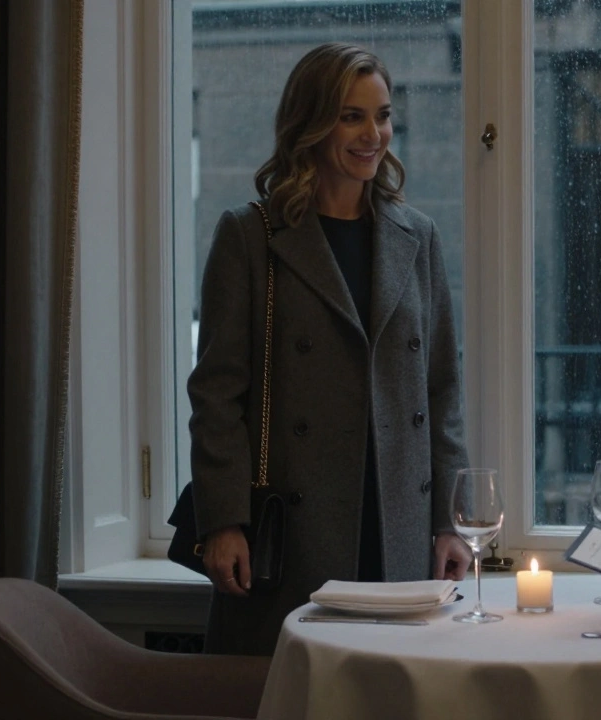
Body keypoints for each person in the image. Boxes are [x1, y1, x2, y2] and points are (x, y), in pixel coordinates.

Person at [187, 42, 473, 656]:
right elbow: (216, 394)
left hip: (396, 529)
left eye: (384, 115)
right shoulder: (251, 236)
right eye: (352, 116)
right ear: (310, 124)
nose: (374, 134)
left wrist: (450, 521)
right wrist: (222, 520)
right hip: (292, 533)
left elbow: (442, 389)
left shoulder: (416, 236)